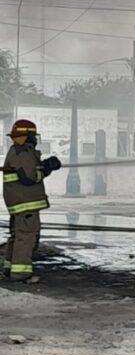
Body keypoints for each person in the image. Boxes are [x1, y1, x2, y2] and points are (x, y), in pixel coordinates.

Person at [2, 119, 61, 283]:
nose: (35, 139)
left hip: (19, 203)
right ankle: (21, 273)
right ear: (28, 136)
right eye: (33, 135)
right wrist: (47, 168)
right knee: (26, 237)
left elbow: (29, 172)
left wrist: (44, 166)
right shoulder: (23, 153)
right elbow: (30, 177)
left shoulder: (18, 151)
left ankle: (10, 267)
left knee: (18, 235)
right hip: (25, 203)